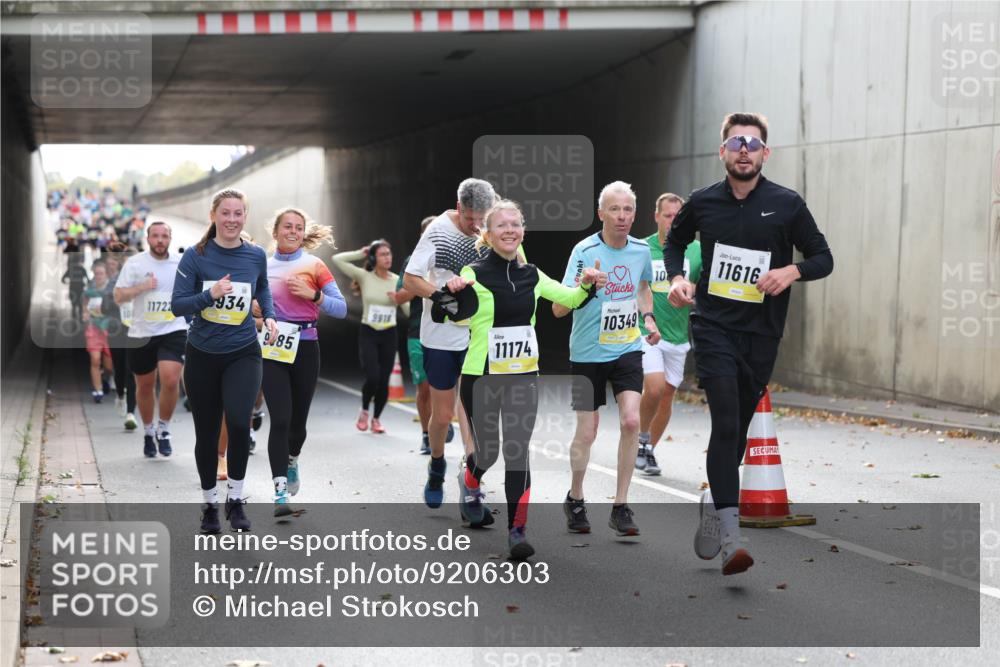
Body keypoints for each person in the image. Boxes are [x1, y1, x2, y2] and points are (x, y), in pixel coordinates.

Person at [667, 112, 833, 575]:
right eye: (736, 142)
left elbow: (823, 257)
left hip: (762, 332)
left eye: (753, 143)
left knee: (738, 427)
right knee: (724, 419)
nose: (744, 149)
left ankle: (712, 501)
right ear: (722, 151)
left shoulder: (787, 204)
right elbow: (675, 243)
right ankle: (731, 534)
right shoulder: (702, 202)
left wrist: (791, 270)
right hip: (714, 325)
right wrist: (678, 277)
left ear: (765, 153)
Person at [440, 200, 606, 558]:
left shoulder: (532, 274)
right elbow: (453, 316)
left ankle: (517, 530)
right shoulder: (473, 271)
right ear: (487, 234)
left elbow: (570, 299)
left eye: (515, 224)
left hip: (524, 377)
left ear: (523, 231)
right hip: (481, 376)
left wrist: (587, 284)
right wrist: (452, 291)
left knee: (517, 452)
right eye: (501, 225)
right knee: (488, 452)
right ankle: (470, 483)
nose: (510, 231)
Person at [554, 181, 661, 537]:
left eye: (628, 209)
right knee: (588, 431)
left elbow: (643, 288)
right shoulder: (583, 250)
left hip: (626, 347)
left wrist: (648, 318)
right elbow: (558, 306)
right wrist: (584, 285)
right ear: (601, 214)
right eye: (614, 209)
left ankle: (621, 505)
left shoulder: (641, 250)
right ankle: (576, 496)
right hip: (586, 353)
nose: (622, 216)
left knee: (632, 420)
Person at [171, 188, 278, 534]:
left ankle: (235, 499)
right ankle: (209, 505)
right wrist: (210, 295)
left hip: (243, 351)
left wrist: (271, 316)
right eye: (226, 213)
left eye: (238, 213)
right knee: (205, 433)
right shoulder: (196, 257)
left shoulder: (256, 255)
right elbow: (178, 305)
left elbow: (262, 290)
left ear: (245, 217)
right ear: (214, 216)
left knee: (237, 420)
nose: (232, 219)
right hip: (203, 354)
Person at [402, 178, 496, 508]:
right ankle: (437, 465)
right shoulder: (438, 231)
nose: (477, 226)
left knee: (471, 411)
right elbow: (410, 279)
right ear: (459, 208)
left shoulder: (491, 232)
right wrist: (440, 296)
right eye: (471, 218)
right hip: (439, 337)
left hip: (477, 336)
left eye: (482, 218)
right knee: (442, 416)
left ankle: (471, 485)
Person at [261, 207, 346, 516]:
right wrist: (257, 312)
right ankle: (280, 492)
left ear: (303, 233)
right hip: (272, 348)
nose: (293, 231)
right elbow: (250, 306)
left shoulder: (315, 265)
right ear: (276, 232)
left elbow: (340, 308)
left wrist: (314, 296)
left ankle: (292, 459)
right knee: (280, 420)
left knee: (297, 425)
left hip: (306, 347)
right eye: (287, 226)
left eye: (298, 227)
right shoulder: (263, 266)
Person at [635, 193, 702, 475]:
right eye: (667, 215)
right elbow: (639, 287)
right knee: (654, 386)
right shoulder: (642, 248)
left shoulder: (697, 250)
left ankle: (648, 449)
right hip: (647, 332)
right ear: (656, 217)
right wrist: (647, 319)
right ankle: (639, 439)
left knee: (666, 397)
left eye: (678, 216)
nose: (673, 221)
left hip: (678, 337)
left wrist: (691, 290)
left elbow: (707, 284)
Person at [115, 222, 188, 458]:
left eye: (164, 236)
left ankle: (164, 428)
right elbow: (118, 296)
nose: (160, 240)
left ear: (170, 238)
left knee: (170, 379)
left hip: (173, 329)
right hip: (142, 332)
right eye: (155, 236)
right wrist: (142, 287)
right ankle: (148, 432)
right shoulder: (135, 263)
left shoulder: (180, 263)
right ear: (147, 238)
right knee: (145, 386)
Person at [332, 240, 408, 434]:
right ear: (374, 258)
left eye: (389, 254)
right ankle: (365, 410)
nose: (387, 258)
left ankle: (376, 419)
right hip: (369, 332)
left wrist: (401, 299)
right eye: (382, 254)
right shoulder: (364, 276)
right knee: (372, 376)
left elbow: (407, 311)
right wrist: (361, 252)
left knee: (384, 380)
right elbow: (337, 259)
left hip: (389, 333)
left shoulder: (397, 280)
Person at [393, 216, 437, 454]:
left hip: (447, 330)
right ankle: (427, 435)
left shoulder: (454, 256)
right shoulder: (413, 261)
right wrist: (419, 282)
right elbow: (399, 296)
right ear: (423, 235)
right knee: (425, 387)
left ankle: (441, 421)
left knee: (448, 386)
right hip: (418, 331)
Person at [102, 247, 138, 430]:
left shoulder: (145, 281)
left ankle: (131, 413)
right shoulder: (115, 281)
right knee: (119, 368)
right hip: (117, 330)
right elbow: (103, 306)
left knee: (131, 370)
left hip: (136, 331)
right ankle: (121, 396)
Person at [81, 261, 115, 402]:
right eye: (96, 274)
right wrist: (85, 313)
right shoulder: (90, 288)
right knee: (95, 359)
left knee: (109, 365)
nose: (98, 276)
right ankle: (98, 390)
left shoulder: (111, 289)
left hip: (108, 328)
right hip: (93, 327)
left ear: (106, 274)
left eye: (101, 273)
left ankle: (105, 377)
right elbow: (84, 301)